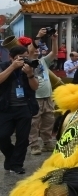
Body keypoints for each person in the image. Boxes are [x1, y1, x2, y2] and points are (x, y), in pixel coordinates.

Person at [0, 44, 39, 174]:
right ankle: (11, 155)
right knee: (2, 136)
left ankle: (16, 164)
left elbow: (34, 87)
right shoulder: (4, 65)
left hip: (24, 107)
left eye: (25, 57)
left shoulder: (28, 67)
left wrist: (30, 74)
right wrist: (12, 67)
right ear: (11, 57)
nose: (24, 60)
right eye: (20, 58)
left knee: (23, 138)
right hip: (6, 108)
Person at [26, 29, 59, 156]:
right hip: (35, 97)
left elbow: (54, 53)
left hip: (47, 97)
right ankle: (34, 145)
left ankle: (47, 142)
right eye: (35, 49)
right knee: (34, 123)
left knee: (49, 120)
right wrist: (38, 36)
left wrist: (54, 40)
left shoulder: (43, 61)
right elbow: (30, 49)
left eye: (37, 49)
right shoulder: (27, 60)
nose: (36, 51)